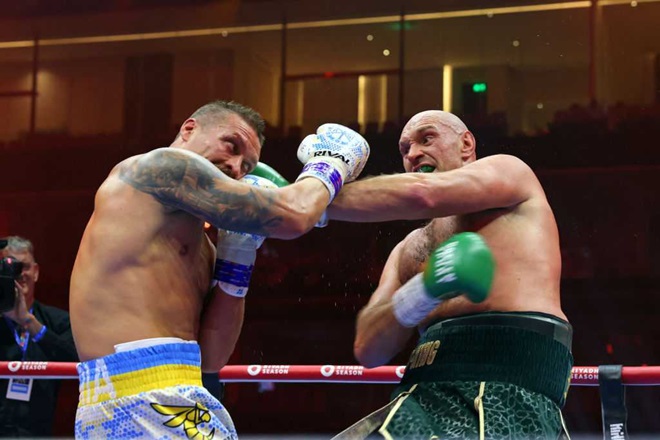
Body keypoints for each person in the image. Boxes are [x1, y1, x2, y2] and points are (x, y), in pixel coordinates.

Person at [69, 99, 369, 439]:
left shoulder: (202, 246)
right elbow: (295, 215)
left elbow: (212, 358)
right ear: (189, 129)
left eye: (247, 166)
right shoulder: (156, 167)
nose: (236, 167)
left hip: (170, 392)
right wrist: (330, 163)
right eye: (231, 145)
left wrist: (238, 252)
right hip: (141, 392)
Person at [329, 110, 573, 439]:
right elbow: (368, 350)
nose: (413, 153)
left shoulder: (511, 173)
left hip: (509, 389)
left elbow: (422, 193)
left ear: (466, 144)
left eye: (426, 138)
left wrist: (314, 191)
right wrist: (423, 290)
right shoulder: (408, 249)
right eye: (404, 149)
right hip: (421, 395)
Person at [0, 235, 78, 437]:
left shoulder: (58, 320)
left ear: (35, 272)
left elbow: (77, 360)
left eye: (24, 267)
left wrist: (29, 322)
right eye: (11, 267)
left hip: (37, 432)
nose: (19, 273)